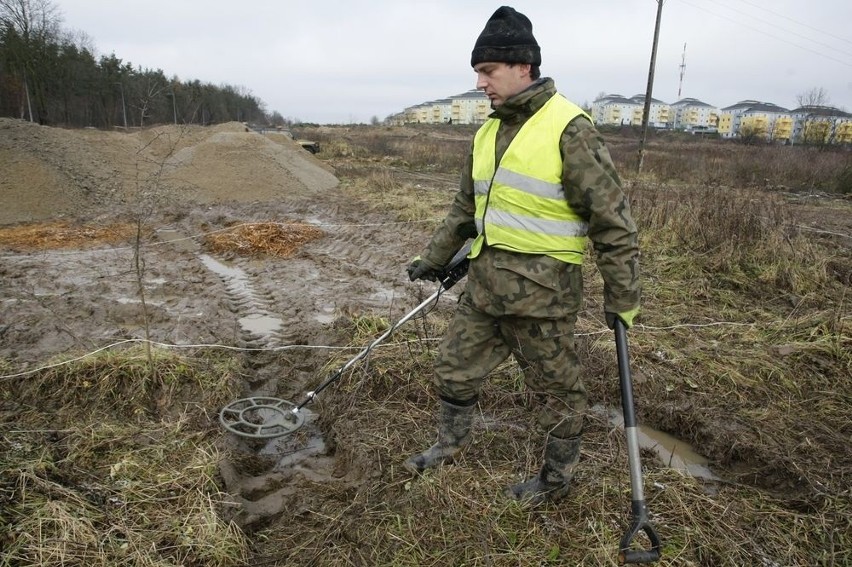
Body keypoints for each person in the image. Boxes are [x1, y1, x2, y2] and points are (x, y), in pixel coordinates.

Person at [403, 6, 641, 505]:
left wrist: (623, 297)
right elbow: (465, 210)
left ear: (523, 67)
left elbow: (613, 222)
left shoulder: (569, 128)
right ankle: (449, 445)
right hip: (485, 290)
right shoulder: (487, 132)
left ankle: (556, 482)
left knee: (557, 396)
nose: (480, 82)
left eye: (487, 71)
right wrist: (434, 258)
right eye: (478, 72)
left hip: (543, 300)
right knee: (453, 368)